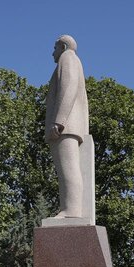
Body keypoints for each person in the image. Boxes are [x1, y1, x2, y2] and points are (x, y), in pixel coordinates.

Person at [45, 34, 89, 218]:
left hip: (67, 125)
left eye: (54, 48)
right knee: (67, 168)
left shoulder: (68, 58)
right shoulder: (74, 60)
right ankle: (69, 208)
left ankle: (71, 210)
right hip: (70, 124)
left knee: (68, 168)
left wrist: (59, 120)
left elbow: (68, 87)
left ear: (62, 47)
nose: (52, 53)